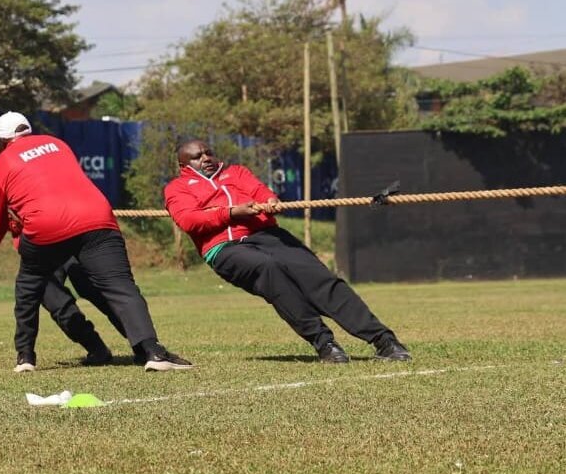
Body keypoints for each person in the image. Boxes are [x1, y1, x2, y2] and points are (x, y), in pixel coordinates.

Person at [163, 139, 411, 362]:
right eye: (197, 156)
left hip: (268, 235)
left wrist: (271, 201)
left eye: (208, 152)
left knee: (319, 277)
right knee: (269, 270)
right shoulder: (177, 188)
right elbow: (188, 220)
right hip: (224, 248)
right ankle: (325, 343)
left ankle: (385, 341)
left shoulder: (236, 172)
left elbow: (260, 191)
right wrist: (230, 212)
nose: (206, 158)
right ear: (183, 165)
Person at [0, 112, 193, 371]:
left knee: (28, 289)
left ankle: (25, 358)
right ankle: (152, 352)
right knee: (121, 287)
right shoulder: (57, 143)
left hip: (47, 226)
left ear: (2, 141)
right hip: (96, 217)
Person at [0, 125, 114, 371]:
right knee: (58, 305)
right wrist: (0, 228)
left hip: (69, 237)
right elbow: (9, 221)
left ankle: (142, 345)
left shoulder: (26, 164)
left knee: (98, 292)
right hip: (38, 249)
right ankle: (97, 349)